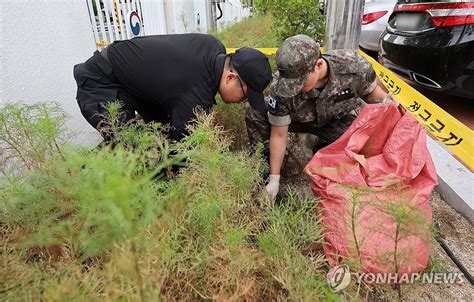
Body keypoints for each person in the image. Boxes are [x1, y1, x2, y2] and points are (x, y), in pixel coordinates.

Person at [245, 34, 390, 202]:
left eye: (301, 82)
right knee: (254, 111)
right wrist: (274, 178)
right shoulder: (282, 86)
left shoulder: (355, 68)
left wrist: (389, 104)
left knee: (356, 139)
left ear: (318, 65)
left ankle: (320, 148)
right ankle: (264, 171)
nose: (296, 89)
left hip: (334, 121)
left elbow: (372, 94)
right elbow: (279, 134)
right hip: (297, 120)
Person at [73, 33, 272, 142]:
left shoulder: (213, 46)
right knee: (136, 151)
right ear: (230, 77)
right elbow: (185, 148)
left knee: (163, 129)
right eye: (245, 96)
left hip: (129, 79)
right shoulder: (194, 92)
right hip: (99, 84)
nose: (242, 102)